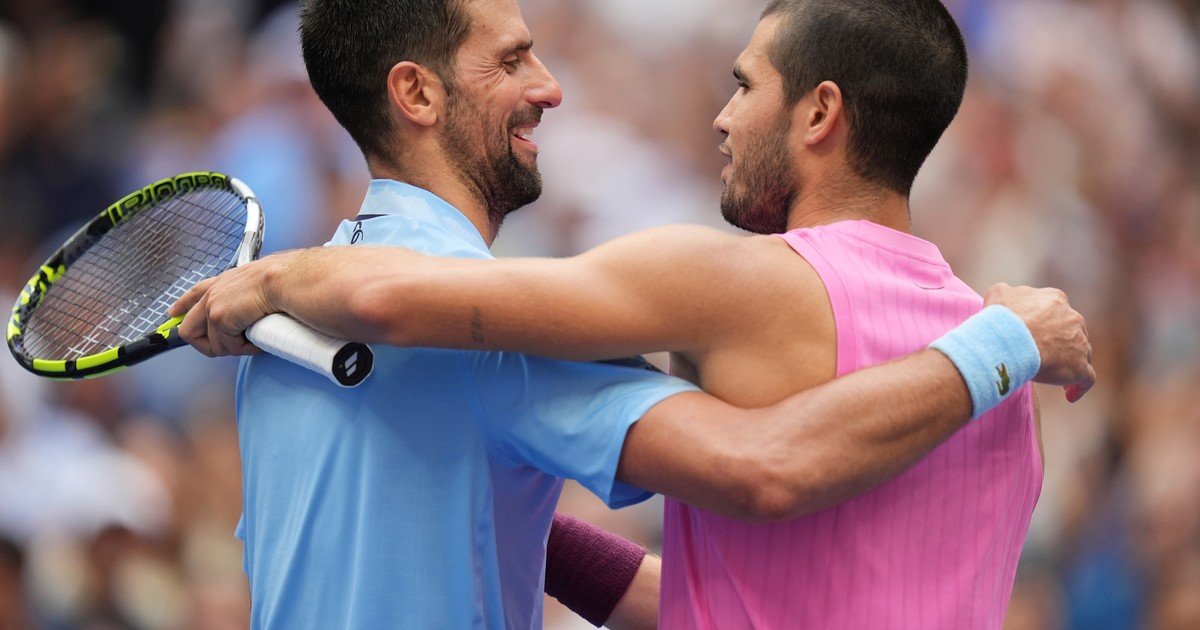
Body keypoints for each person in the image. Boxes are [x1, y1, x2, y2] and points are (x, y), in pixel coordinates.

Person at [172, 0, 1095, 627]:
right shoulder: (1004, 385)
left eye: (743, 84)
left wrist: (276, 276)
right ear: (414, 93)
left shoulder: (287, 334)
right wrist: (1004, 339)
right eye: (512, 58)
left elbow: (763, 484)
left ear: (820, 114)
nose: (551, 85)